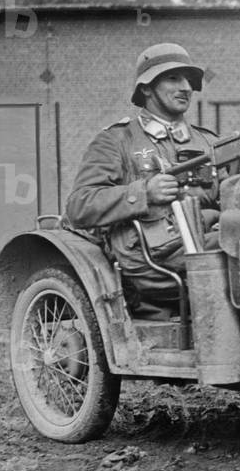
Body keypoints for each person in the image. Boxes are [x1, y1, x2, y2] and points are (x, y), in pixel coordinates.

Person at [65, 42, 219, 304]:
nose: (185, 87)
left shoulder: (208, 142)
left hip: (201, 241)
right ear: (146, 87)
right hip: (149, 259)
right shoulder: (117, 140)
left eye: (188, 80)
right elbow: (79, 206)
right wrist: (145, 193)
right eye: (173, 78)